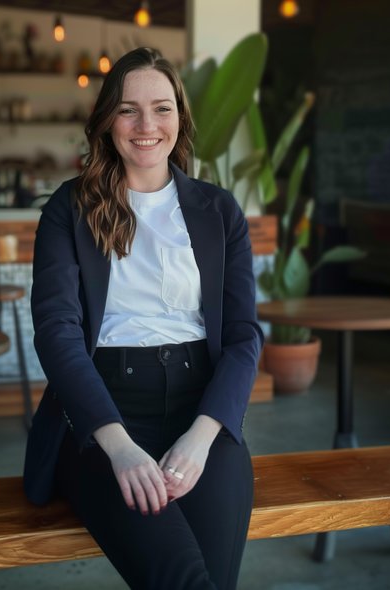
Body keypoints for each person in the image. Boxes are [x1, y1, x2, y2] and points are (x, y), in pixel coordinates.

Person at [23, 47, 264, 590]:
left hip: (201, 416)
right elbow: (57, 331)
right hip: (103, 419)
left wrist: (203, 437)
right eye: (129, 109)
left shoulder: (219, 210)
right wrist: (119, 445)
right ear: (108, 121)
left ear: (181, 116)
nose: (146, 125)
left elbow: (244, 336)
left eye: (161, 108)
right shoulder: (70, 208)